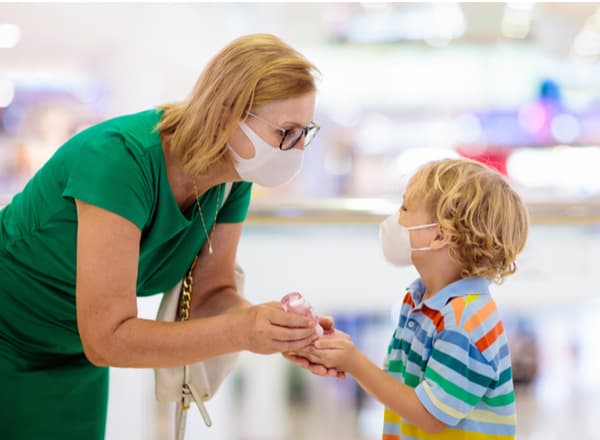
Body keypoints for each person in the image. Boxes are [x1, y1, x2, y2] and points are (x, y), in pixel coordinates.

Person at [0, 33, 335, 439]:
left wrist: (275, 328)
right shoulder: (120, 160)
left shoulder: (232, 180)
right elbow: (108, 337)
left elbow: (213, 294)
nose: (296, 149)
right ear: (227, 116)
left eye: (305, 133)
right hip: (10, 334)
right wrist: (243, 331)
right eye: (287, 132)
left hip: (75, 355)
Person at [299, 158, 529, 439]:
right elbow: (398, 389)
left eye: (405, 208)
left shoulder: (466, 322)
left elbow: (430, 416)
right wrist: (340, 353)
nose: (396, 218)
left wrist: (354, 362)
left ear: (441, 234)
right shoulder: (419, 302)